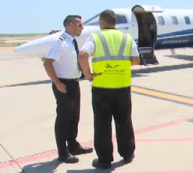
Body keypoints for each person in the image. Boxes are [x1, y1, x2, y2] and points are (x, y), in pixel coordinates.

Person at [78, 9, 140, 169]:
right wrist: (121, 67)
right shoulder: (127, 38)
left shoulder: (96, 37)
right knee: (124, 120)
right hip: (122, 86)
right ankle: (127, 154)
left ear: (102, 22)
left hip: (102, 87)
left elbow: (83, 55)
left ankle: (105, 160)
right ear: (115, 23)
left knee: (102, 123)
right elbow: (136, 60)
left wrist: (88, 74)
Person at [43, 15, 93, 164]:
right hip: (63, 84)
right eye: (79, 25)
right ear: (70, 25)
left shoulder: (73, 42)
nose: (82, 28)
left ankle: (73, 145)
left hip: (73, 83)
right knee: (63, 119)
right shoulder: (60, 43)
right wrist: (57, 83)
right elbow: (47, 63)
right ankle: (62, 152)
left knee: (74, 117)